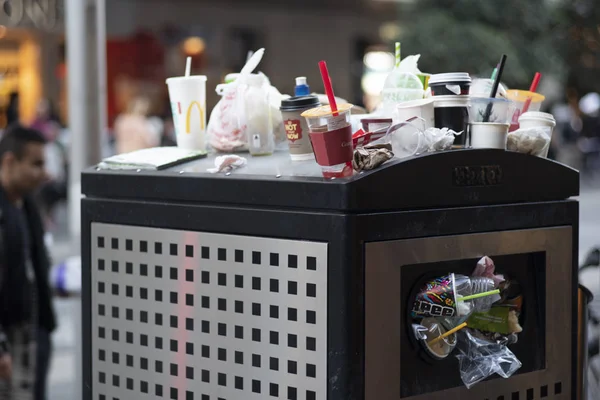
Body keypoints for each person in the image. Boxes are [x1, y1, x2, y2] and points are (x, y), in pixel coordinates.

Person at [0, 125, 56, 400]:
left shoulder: (27, 204)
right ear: (10, 162)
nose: (44, 173)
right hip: (8, 341)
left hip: (34, 332)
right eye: (36, 164)